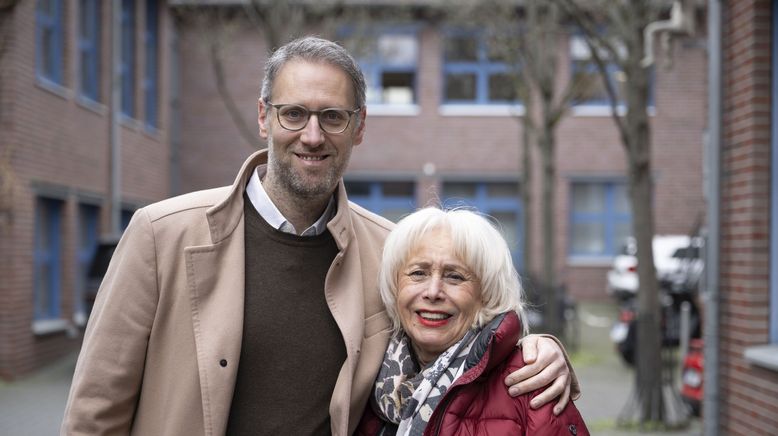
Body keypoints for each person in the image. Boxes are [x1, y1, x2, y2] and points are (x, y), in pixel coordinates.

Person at [61, 36, 578, 435]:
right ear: (264, 117)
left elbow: (454, 343)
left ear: (359, 127)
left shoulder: (390, 251)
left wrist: (540, 350)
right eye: (294, 113)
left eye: (332, 116)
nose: (312, 135)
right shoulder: (162, 235)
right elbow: (95, 410)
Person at [356, 207, 589, 435]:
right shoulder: (364, 370)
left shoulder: (531, 381)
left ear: (487, 294)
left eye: (455, 276)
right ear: (395, 286)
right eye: (418, 273)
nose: (433, 291)